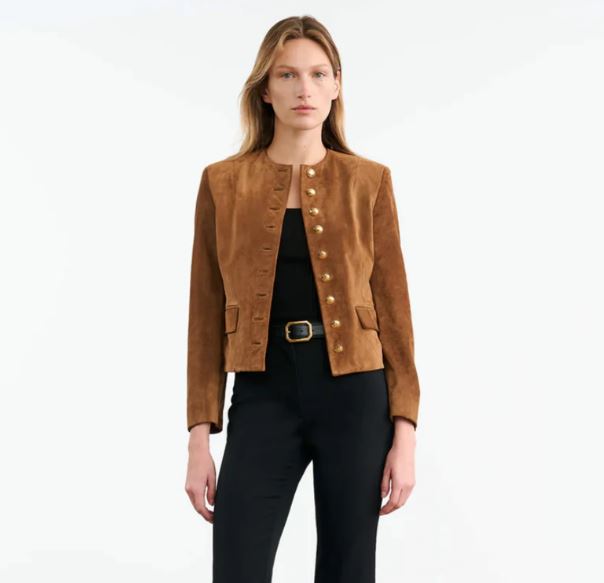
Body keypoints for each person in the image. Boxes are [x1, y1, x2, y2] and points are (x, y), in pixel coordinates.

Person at [184, 15, 421, 583]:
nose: (304, 89)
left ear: (336, 85)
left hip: (355, 394)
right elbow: (205, 312)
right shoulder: (222, 183)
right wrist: (198, 439)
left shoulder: (369, 181)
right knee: (238, 565)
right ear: (265, 89)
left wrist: (405, 431)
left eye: (318, 74)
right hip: (263, 390)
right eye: (287, 75)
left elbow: (394, 311)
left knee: (347, 569)